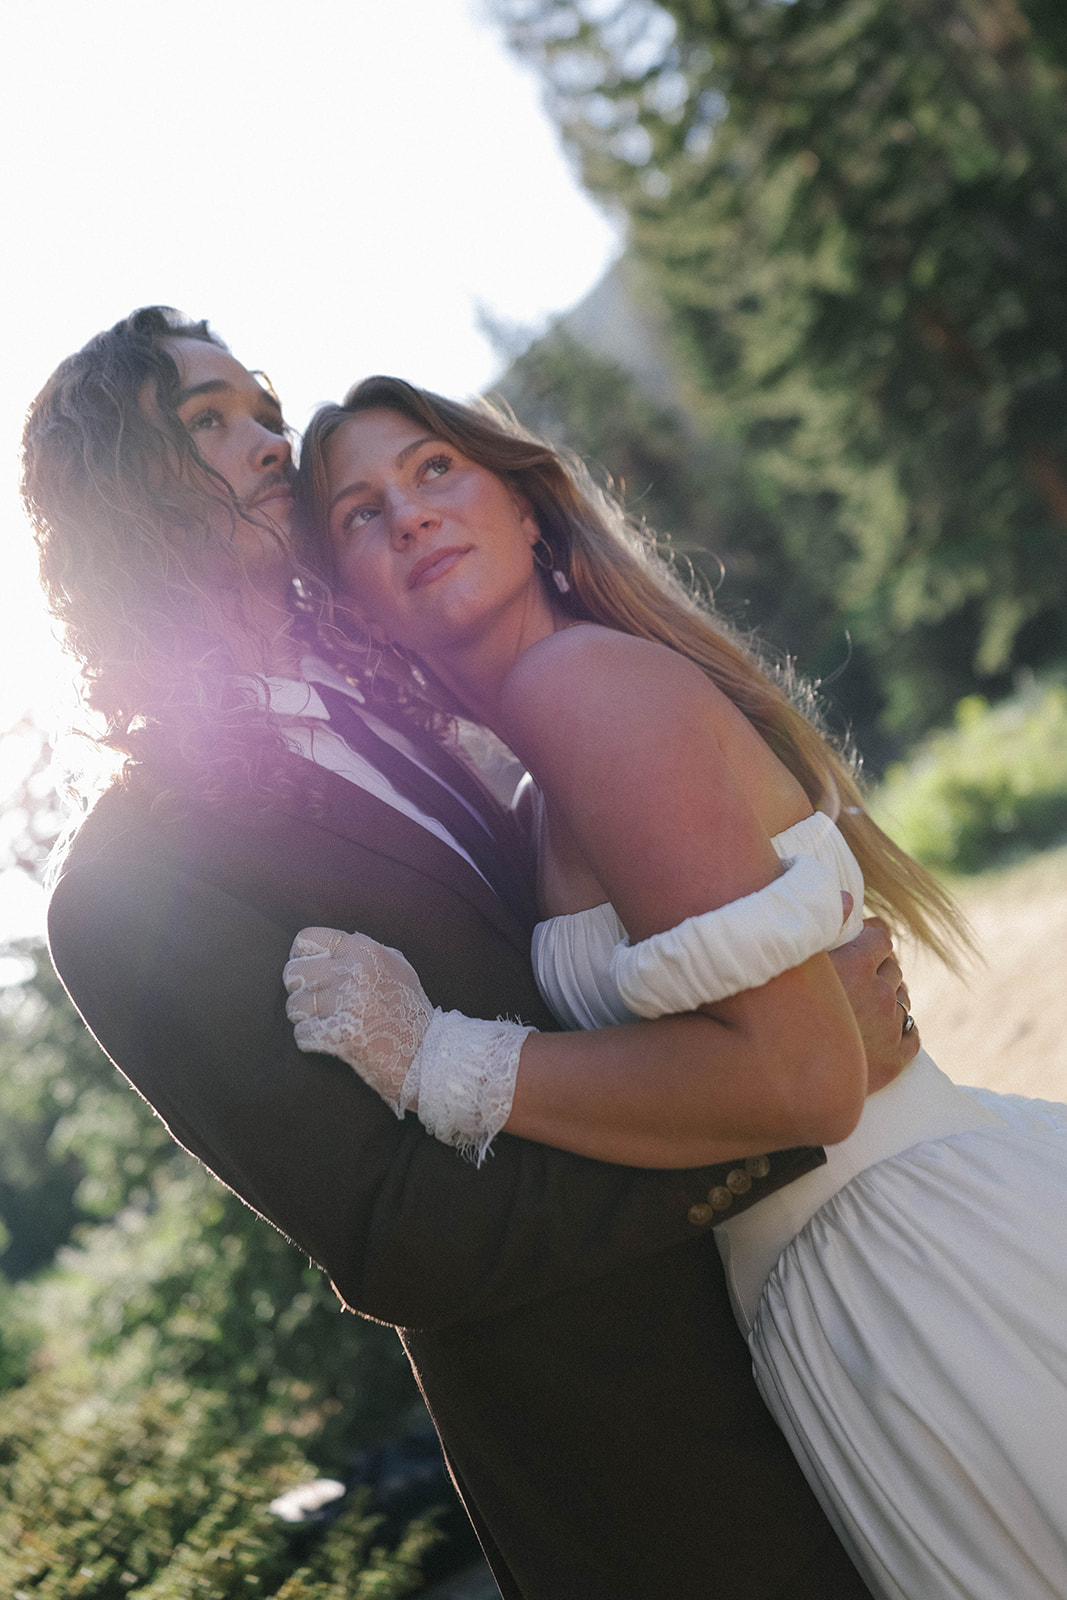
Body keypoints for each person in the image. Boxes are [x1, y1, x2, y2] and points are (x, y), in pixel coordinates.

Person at [19, 308, 903, 1600]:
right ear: (114, 498)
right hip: (633, 1447)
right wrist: (770, 1111)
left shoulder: (401, 693)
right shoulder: (125, 888)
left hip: (813, 1304)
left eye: (259, 409)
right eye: (205, 422)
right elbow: (397, 1234)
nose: (268, 442)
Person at [286, 375, 1067, 1600]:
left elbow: (804, 1079)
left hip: (909, 1275)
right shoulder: (539, 784)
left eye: (435, 469)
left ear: (526, 507)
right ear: (361, 609)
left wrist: (438, 1059)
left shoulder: (578, 688)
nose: (409, 514)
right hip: (841, 1285)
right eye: (358, 511)